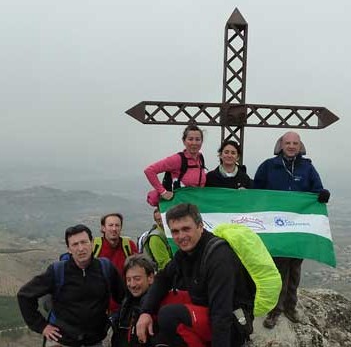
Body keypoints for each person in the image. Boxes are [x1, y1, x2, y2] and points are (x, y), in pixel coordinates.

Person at [135, 203, 252, 347]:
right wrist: (145, 312)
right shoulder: (185, 253)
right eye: (175, 231)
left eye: (186, 229)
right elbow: (163, 279)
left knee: (169, 315)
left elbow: (221, 313)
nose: (181, 236)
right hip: (205, 310)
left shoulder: (219, 257)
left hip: (232, 325)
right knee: (150, 300)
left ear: (200, 226)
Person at [252, 131, 330, 329]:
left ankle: (290, 306)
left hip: (297, 227)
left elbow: (317, 189)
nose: (292, 146)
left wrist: (322, 195)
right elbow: (255, 191)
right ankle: (274, 310)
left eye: (295, 143)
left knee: (295, 268)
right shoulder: (268, 166)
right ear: (281, 145)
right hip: (275, 228)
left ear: (300, 145)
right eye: (288, 143)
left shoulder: (307, 167)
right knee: (278, 269)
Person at [17, 224, 126, 347]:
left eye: (84, 242)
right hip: (61, 341)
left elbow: (123, 297)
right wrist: (42, 326)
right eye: (75, 244)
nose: (80, 248)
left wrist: (113, 320)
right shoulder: (57, 271)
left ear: (91, 243)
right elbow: (25, 295)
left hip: (93, 341)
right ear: (69, 249)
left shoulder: (105, 268)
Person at [144, 125, 207, 207]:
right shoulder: (177, 159)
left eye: (197, 139)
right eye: (190, 139)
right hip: (178, 208)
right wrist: (163, 192)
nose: (194, 143)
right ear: (184, 141)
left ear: (201, 142)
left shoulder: (200, 158)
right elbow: (149, 171)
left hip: (195, 206)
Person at [111, 255, 158, 347]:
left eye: (137, 279)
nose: (132, 284)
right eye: (128, 279)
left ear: (150, 278)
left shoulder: (157, 306)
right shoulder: (126, 303)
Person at [94, 213, 139, 278]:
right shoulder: (94, 246)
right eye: (110, 225)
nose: (114, 229)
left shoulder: (129, 245)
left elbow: (138, 268)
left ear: (121, 227)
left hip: (123, 286)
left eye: (117, 225)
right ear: (103, 228)